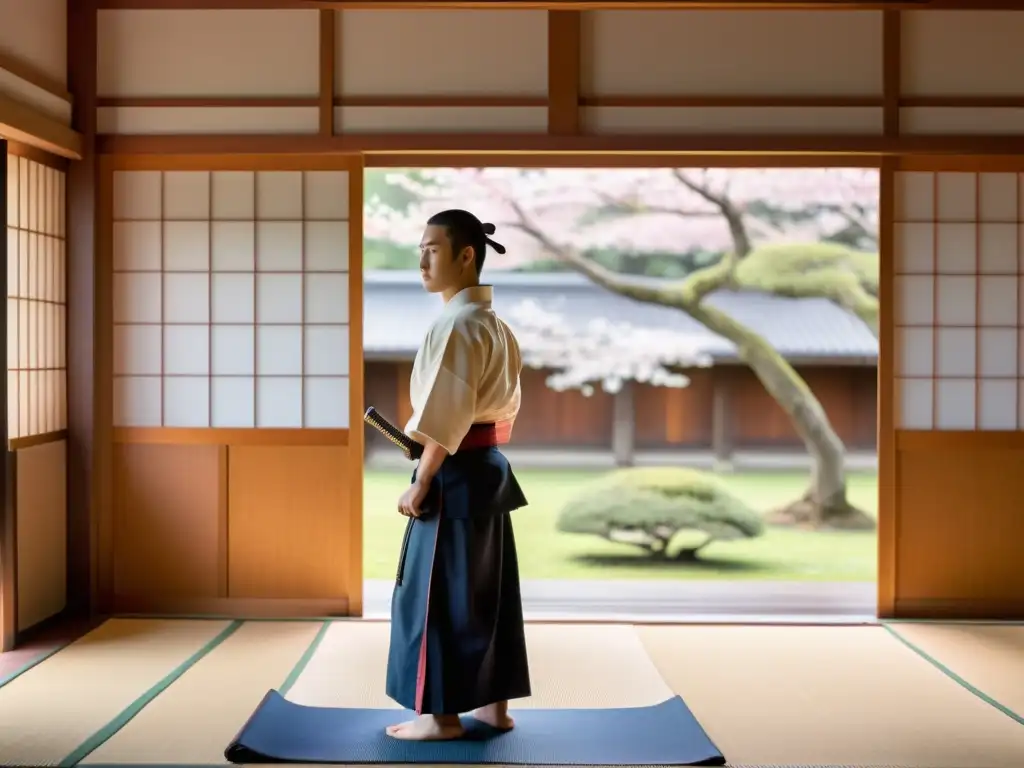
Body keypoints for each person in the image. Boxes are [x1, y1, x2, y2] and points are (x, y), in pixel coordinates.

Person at [384, 209, 531, 742]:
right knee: (485, 594)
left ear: (466, 255)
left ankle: (440, 717)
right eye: (419, 249)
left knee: (436, 594)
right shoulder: (493, 323)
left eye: (433, 248)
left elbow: (446, 417)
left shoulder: (459, 324)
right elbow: (502, 406)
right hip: (487, 471)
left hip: (456, 475)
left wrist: (422, 479)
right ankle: (494, 708)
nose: (422, 260)